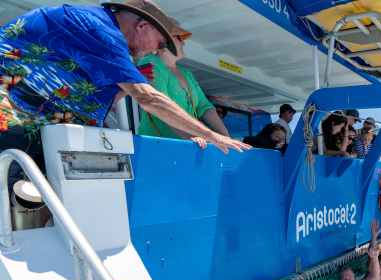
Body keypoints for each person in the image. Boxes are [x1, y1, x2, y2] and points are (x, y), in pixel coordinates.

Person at [0, 0, 248, 190]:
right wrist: (210, 135)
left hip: (33, 129)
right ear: (142, 26)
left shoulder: (104, 38)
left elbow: (93, 102)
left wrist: (120, 90)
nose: (156, 50)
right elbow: (147, 98)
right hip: (11, 116)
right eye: (160, 44)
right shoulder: (99, 28)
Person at [137, 19, 233, 144]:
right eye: (179, 39)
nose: (183, 44)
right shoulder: (150, 63)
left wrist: (226, 138)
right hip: (158, 146)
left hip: (188, 145)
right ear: (164, 40)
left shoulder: (187, 74)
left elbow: (204, 107)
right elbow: (160, 106)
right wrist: (190, 137)